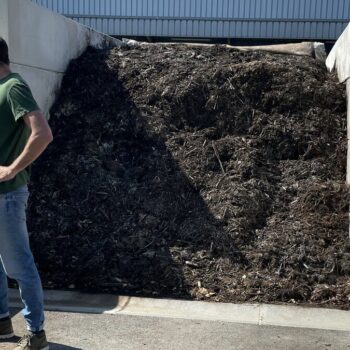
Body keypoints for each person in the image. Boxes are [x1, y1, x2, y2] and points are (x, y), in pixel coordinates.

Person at [0, 37, 53, 350]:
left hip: (7, 195)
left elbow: (42, 133)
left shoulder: (13, 87)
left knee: (19, 265)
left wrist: (12, 168)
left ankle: (36, 334)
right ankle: (3, 324)